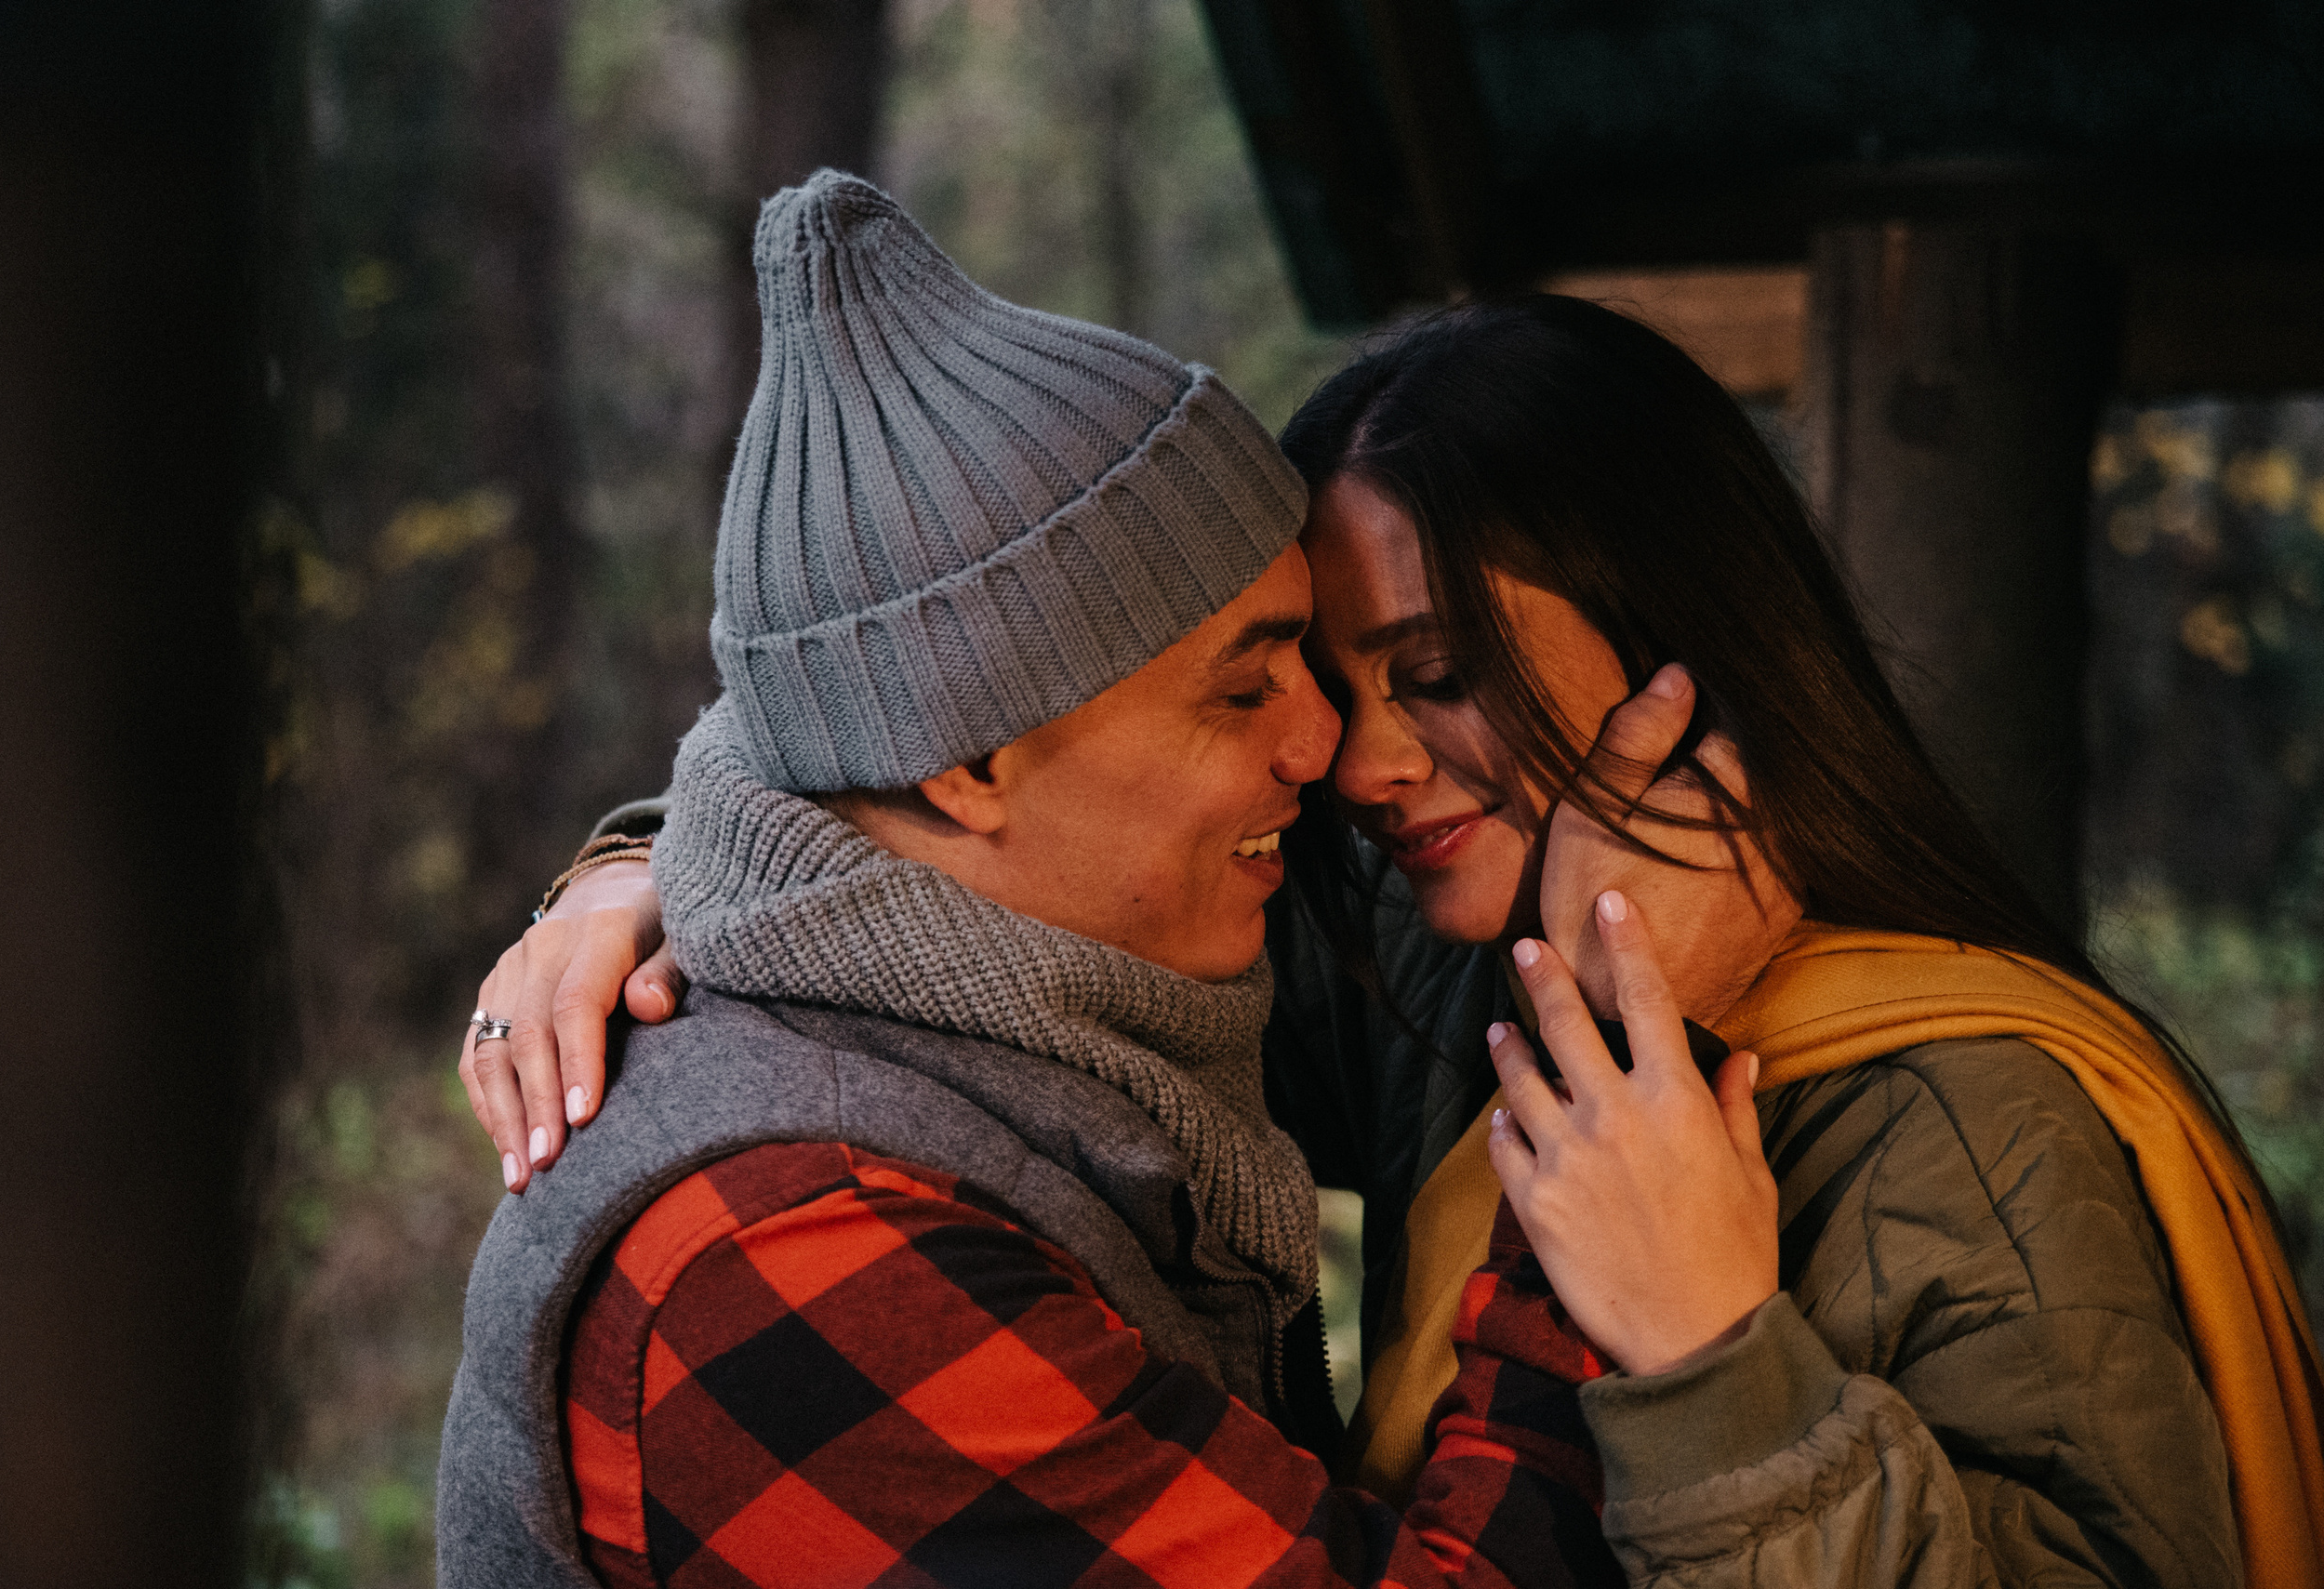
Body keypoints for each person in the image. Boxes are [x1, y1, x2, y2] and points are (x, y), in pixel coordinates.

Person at [470, 285, 2324, 1583]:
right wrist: (662, 878)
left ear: (1682, 644)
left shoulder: (1968, 1119)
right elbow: (984, 937)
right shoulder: (1448, 977)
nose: (1341, 762)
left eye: (1427, 676)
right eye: (1284, 681)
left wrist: (1714, 1362)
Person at [436, 171, 1762, 1589]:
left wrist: (638, 862)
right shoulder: (797, 1251)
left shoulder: (1047, 988)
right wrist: (1634, 1040)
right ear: (966, 764)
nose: (1327, 749)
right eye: (1245, 690)